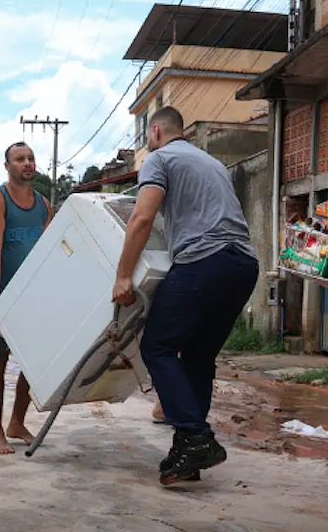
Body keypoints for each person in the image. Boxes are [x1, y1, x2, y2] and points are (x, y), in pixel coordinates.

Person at [113, 106, 258, 485]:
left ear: (156, 130)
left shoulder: (159, 159)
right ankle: (187, 455)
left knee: (157, 348)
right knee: (197, 357)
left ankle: (195, 435)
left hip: (203, 262)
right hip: (242, 265)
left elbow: (142, 218)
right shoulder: (208, 162)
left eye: (147, 133)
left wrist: (123, 274)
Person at [0, 141, 53, 454]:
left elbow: (45, 254)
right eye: (20, 159)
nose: (27, 163)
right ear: (7, 166)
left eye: (31, 158)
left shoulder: (43, 204)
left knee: (33, 363)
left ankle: (16, 422)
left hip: (27, 294)